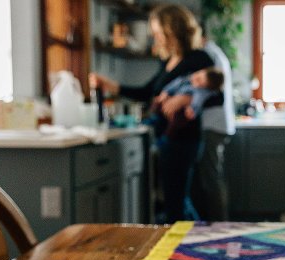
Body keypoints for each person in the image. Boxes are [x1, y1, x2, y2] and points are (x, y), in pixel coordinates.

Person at [89, 4, 214, 223]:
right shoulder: (167, 62)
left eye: (158, 32)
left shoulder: (200, 59)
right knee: (177, 201)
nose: (155, 37)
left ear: (173, 30)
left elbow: (217, 96)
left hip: (184, 140)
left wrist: (186, 98)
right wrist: (108, 84)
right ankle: (200, 241)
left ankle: (191, 247)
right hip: (167, 139)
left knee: (176, 203)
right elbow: (147, 92)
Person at [158, 34, 235, 220]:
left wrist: (184, 99)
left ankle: (219, 226)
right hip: (218, 125)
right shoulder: (216, 54)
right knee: (208, 179)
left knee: (211, 179)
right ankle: (213, 224)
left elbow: (214, 92)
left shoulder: (207, 56)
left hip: (212, 125)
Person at [149, 67, 224, 139]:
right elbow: (173, 85)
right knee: (156, 102)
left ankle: (166, 136)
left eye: (200, 82)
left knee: (180, 119)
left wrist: (192, 109)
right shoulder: (184, 79)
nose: (195, 79)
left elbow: (198, 100)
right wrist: (165, 93)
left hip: (181, 114)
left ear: (205, 87)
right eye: (198, 76)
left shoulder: (199, 91)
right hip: (167, 100)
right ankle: (153, 119)